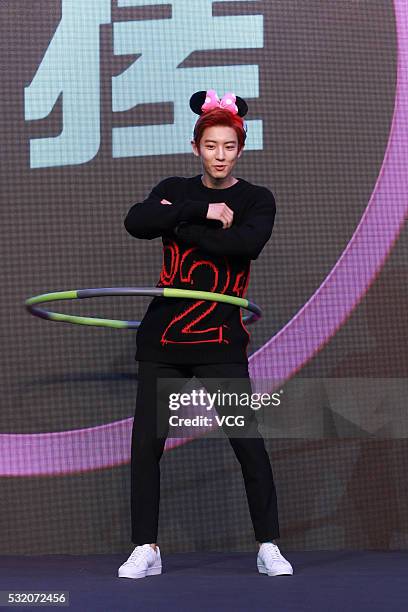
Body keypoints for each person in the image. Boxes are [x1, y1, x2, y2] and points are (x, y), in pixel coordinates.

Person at [118, 89, 293, 579]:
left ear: (241, 148)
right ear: (196, 147)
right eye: (210, 146)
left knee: (248, 443)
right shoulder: (175, 186)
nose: (219, 156)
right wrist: (199, 212)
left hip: (220, 339)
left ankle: (268, 546)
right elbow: (137, 221)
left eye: (228, 147)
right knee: (145, 447)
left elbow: (245, 244)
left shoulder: (256, 199)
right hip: (162, 339)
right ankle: (146, 548)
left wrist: (180, 223)